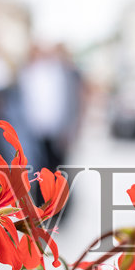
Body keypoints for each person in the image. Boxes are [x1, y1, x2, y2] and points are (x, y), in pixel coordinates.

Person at [18, 43, 83, 173]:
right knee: (36, 168)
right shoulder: (26, 74)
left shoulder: (64, 73)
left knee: (58, 168)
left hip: (58, 131)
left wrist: (70, 129)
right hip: (33, 131)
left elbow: (73, 103)